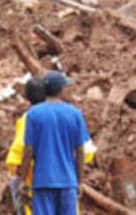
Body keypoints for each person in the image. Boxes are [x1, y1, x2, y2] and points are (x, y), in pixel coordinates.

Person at [19, 71, 90, 215]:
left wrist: (23, 178)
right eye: (67, 87)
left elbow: (28, 149)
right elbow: (80, 150)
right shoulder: (75, 114)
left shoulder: (33, 114)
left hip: (43, 180)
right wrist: (80, 181)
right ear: (61, 90)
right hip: (68, 181)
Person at [6, 78, 47, 215]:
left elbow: (23, 151)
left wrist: (21, 178)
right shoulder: (67, 114)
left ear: (27, 97)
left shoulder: (30, 118)